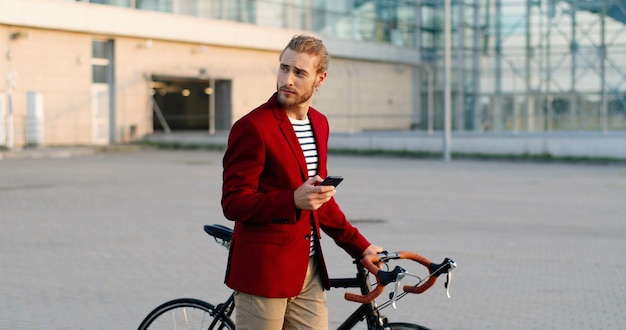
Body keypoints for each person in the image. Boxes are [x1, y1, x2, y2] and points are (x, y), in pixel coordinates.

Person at [221, 35, 382, 330]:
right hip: (264, 273)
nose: (288, 79)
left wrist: (361, 247)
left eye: (299, 73)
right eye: (284, 69)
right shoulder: (253, 127)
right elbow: (233, 202)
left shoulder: (319, 124)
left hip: (308, 272)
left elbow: (318, 199)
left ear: (320, 79)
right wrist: (291, 200)